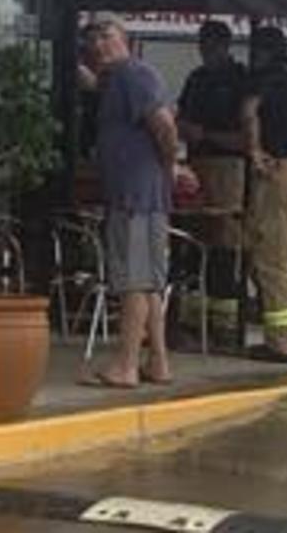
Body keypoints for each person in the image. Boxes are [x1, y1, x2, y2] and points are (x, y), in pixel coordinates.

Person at [84, 20, 179, 388]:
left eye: (107, 36)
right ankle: (158, 361)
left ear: (125, 40)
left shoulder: (134, 75)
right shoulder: (117, 81)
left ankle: (125, 364)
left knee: (134, 282)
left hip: (135, 197)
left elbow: (165, 126)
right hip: (140, 195)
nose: (99, 44)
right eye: (94, 39)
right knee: (149, 283)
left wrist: (170, 166)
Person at [242, 26, 287, 363]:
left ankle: (284, 343)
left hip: (278, 171)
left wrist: (255, 150)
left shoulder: (263, 80)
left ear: (262, 51)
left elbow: (249, 114)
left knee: (276, 260)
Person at [177, 20, 249, 349]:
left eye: (211, 45)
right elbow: (181, 116)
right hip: (195, 165)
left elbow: (247, 138)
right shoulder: (196, 79)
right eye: (201, 45)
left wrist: (205, 134)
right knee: (193, 242)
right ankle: (192, 322)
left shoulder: (239, 81)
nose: (205, 51)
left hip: (228, 168)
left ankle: (225, 326)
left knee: (224, 244)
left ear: (225, 45)